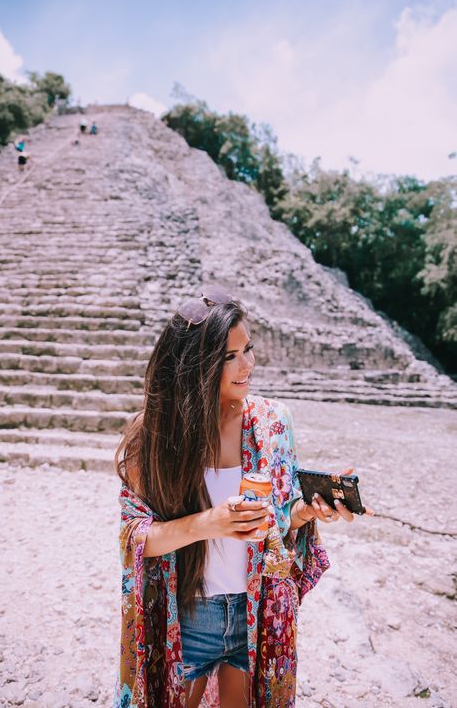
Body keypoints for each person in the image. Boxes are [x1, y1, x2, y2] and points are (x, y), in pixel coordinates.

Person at [113, 286, 373, 708]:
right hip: (189, 614)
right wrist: (209, 523)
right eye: (229, 356)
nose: (247, 365)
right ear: (194, 365)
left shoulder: (273, 422)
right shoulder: (154, 435)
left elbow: (280, 521)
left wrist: (306, 510)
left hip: (260, 608)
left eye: (247, 349)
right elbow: (134, 538)